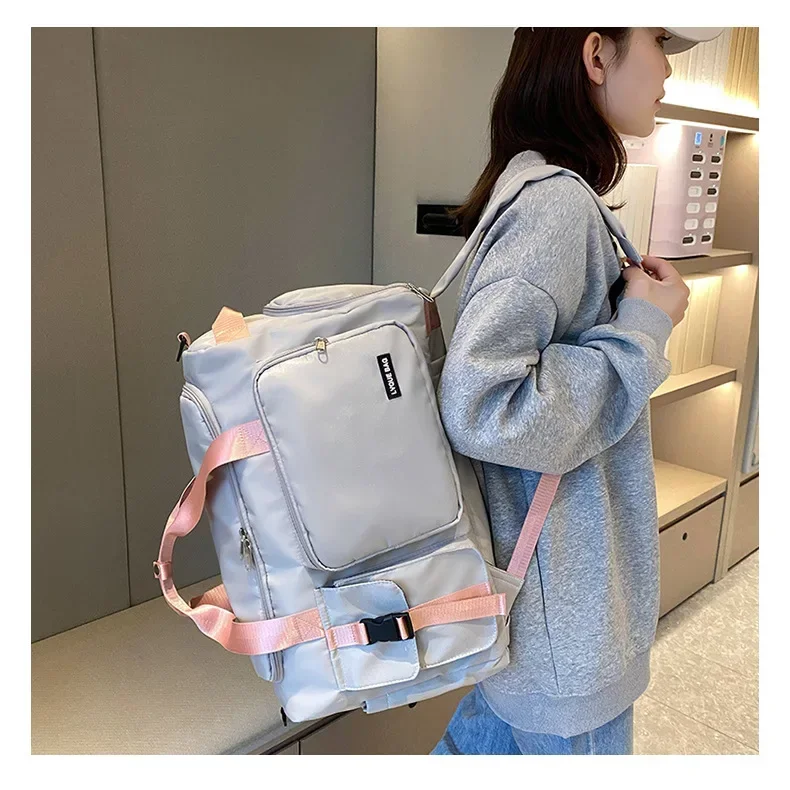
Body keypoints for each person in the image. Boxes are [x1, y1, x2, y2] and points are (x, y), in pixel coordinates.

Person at [430, 27, 722, 755]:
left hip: (540, 617)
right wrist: (643, 329)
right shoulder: (555, 207)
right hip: (565, 637)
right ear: (596, 56)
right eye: (659, 41)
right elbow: (483, 406)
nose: (668, 69)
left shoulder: (544, 193)